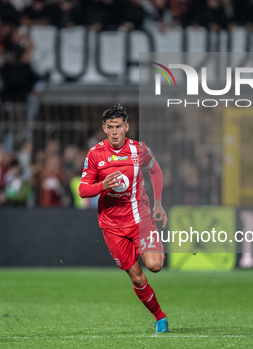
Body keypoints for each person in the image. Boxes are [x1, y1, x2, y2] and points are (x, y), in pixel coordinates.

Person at [79, 104, 169, 333]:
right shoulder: (95, 153)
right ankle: (160, 317)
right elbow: (83, 190)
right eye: (110, 127)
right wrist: (103, 185)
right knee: (138, 278)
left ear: (127, 127)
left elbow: (156, 170)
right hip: (112, 226)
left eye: (118, 126)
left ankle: (152, 252)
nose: (114, 131)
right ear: (104, 128)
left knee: (155, 265)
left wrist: (158, 203)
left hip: (141, 218)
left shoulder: (139, 150)